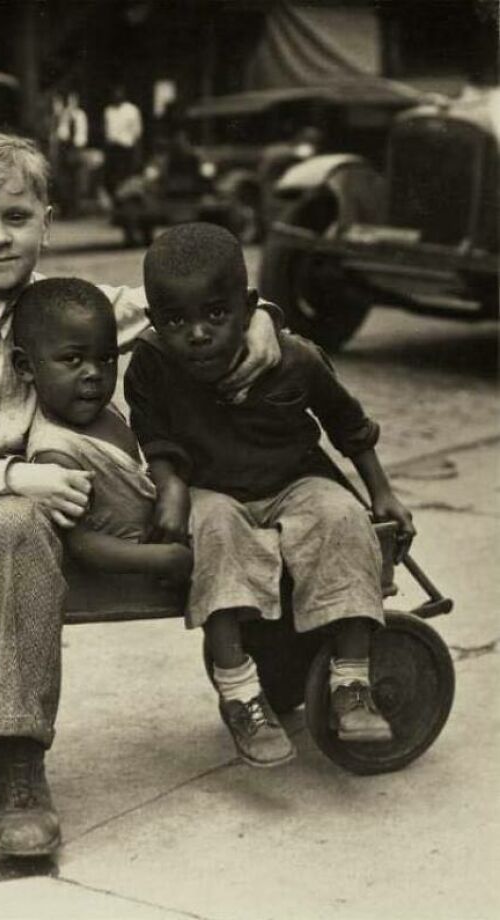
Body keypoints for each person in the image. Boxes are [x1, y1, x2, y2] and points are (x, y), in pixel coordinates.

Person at [0, 133, 282, 864]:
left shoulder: (81, 306)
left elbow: (184, 303)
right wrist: (15, 477)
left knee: (20, 529)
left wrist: (261, 315)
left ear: (46, 223)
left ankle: (20, 764)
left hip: (19, 498)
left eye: (16, 218)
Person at [125, 222, 416, 769]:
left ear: (249, 307)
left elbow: (349, 426)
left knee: (340, 515)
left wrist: (382, 492)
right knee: (213, 527)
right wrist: (169, 485)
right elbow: (153, 433)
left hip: (292, 482)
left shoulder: (295, 357)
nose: (197, 334)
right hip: (212, 489)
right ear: (153, 321)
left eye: (216, 314)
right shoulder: (152, 366)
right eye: (176, 321)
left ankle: (352, 683)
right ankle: (239, 692)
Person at [12, 276, 192, 582]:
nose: (94, 373)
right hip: (130, 574)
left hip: (167, 538)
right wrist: (165, 559)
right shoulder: (55, 453)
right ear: (26, 367)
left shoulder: (99, 407)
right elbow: (81, 544)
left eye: (106, 358)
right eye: (72, 359)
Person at [103, 84, 143, 200]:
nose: (117, 95)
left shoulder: (132, 110)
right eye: (114, 93)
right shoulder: (108, 111)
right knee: (112, 175)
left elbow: (137, 133)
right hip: (112, 147)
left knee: (125, 175)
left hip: (126, 148)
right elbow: (106, 130)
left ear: (124, 94)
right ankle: (116, 199)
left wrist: (137, 152)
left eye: (119, 93)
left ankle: (125, 199)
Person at [54, 92, 88, 217]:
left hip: (75, 148)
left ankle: (75, 209)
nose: (70, 104)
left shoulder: (80, 115)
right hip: (64, 148)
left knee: (75, 180)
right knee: (64, 180)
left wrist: (77, 148)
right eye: (69, 101)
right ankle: (66, 208)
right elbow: (60, 133)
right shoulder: (63, 116)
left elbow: (82, 134)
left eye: (73, 101)